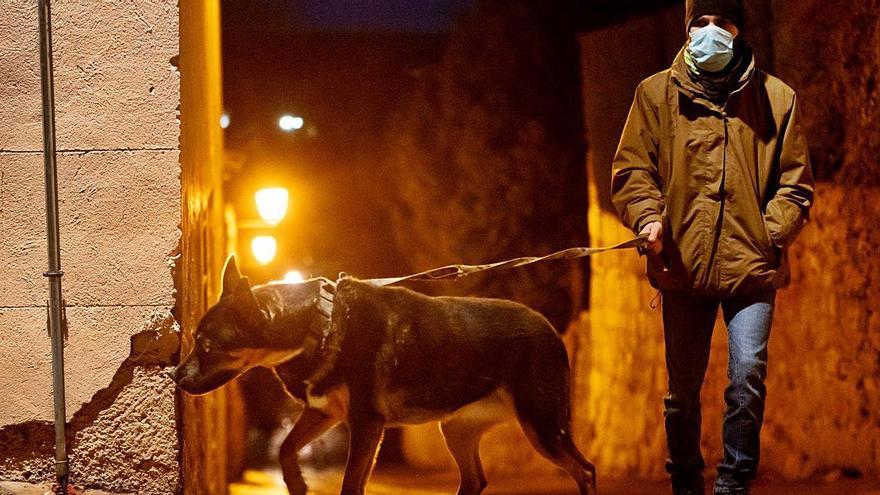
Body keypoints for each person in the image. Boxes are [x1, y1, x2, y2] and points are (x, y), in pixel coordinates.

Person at [609, 1, 815, 494]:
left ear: (738, 28)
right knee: (681, 394)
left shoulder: (777, 98)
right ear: (686, 27)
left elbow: (796, 184)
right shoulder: (654, 94)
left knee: (746, 382)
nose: (709, 32)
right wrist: (649, 218)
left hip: (752, 267)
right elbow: (633, 171)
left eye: (721, 22)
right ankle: (686, 483)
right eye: (699, 22)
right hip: (682, 266)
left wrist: (769, 233)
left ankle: (733, 486)